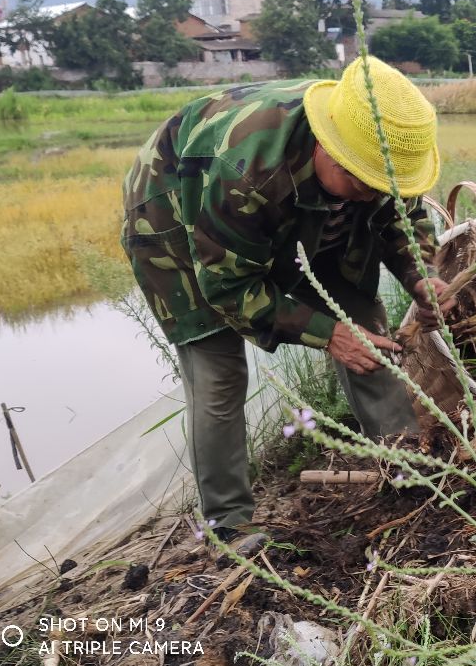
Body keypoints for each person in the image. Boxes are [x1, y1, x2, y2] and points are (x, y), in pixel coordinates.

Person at [121, 56, 455, 537]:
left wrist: (420, 275)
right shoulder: (246, 170)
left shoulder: (380, 157)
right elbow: (228, 286)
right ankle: (229, 526)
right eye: (361, 182)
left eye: (382, 187)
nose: (370, 195)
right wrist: (327, 333)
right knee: (218, 375)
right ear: (326, 146)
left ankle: (407, 470)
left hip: (303, 213)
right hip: (180, 218)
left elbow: (403, 218)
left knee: (371, 336)